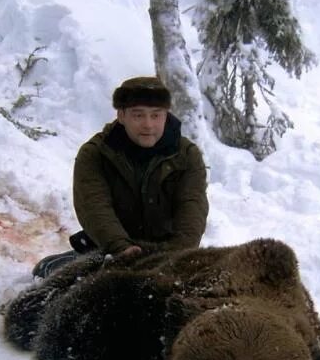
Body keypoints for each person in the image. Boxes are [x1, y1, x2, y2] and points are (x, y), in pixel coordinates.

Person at [32, 76, 209, 278]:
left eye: (156, 115)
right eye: (138, 115)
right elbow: (94, 206)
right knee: (49, 275)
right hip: (110, 250)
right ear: (121, 115)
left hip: (169, 253)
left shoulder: (187, 155)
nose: (148, 124)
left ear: (166, 115)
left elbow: (192, 207)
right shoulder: (95, 153)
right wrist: (120, 247)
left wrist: (177, 256)